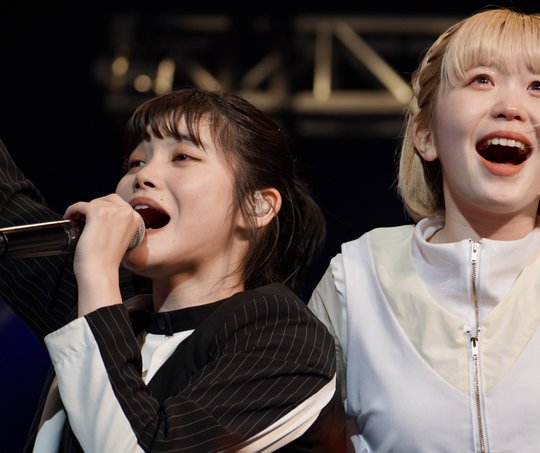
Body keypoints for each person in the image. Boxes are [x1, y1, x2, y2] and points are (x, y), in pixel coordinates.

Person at [308, 7, 540, 453]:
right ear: (426, 134)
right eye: (481, 79)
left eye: (539, 87)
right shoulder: (353, 283)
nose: (511, 107)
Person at [0, 88, 348, 452]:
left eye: (182, 157)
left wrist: (98, 270)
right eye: (135, 162)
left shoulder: (286, 340)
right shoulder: (113, 303)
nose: (143, 176)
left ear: (256, 206)